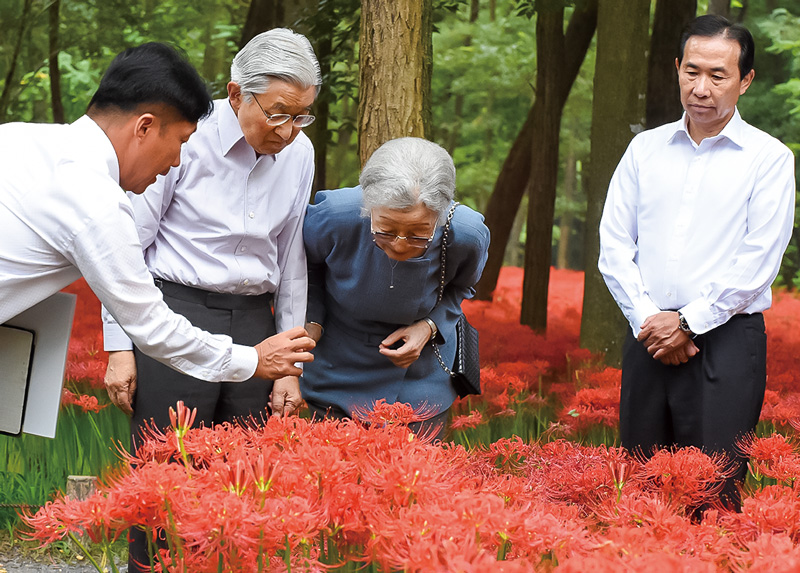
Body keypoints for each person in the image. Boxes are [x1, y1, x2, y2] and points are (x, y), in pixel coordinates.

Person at [0, 43, 314, 395]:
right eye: (181, 141)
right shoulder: (94, 199)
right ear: (144, 127)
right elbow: (150, 325)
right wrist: (255, 360)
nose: (178, 161)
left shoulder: (16, 137)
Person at [598, 15, 795, 507]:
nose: (701, 88)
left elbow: (759, 259)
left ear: (745, 81)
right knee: (642, 487)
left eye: (718, 75)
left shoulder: (768, 159)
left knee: (713, 489)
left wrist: (688, 322)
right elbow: (615, 245)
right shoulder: (645, 149)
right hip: (647, 337)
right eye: (691, 72)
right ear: (677, 69)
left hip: (727, 341)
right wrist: (651, 321)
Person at [101, 29, 321, 438]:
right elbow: (127, 243)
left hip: (256, 320)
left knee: (243, 472)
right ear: (236, 94)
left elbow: (292, 262)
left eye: (301, 115)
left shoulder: (300, 152)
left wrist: (290, 367)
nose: (289, 131)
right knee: (165, 462)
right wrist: (119, 346)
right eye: (277, 113)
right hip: (175, 315)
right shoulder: (186, 134)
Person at [301, 137, 490, 439]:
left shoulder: (466, 234)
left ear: (440, 213)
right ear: (368, 206)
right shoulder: (334, 216)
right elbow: (305, 269)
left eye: (418, 233)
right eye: (386, 229)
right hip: (336, 365)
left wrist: (429, 326)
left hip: (420, 376)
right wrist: (312, 319)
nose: (400, 244)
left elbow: (462, 288)